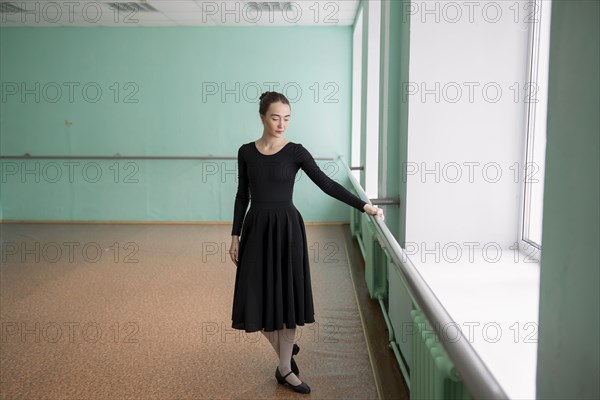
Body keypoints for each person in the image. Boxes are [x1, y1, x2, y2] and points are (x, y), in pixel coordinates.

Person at [228, 91, 384, 394]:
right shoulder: (246, 151)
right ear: (262, 116)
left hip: (287, 229)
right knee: (254, 297)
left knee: (286, 298)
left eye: (286, 118)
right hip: (256, 228)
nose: (281, 123)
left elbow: (326, 184)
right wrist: (234, 235)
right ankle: (287, 351)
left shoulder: (296, 151)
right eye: (275, 117)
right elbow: (241, 195)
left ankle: (285, 369)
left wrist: (363, 206)